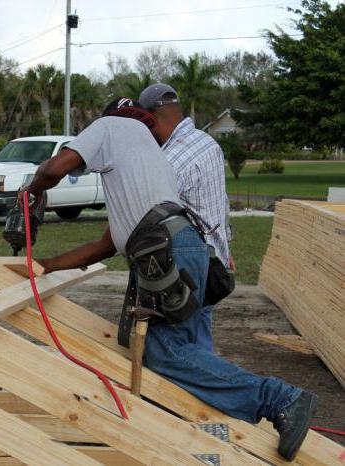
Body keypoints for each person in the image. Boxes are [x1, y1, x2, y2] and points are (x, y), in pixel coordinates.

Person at [22, 98, 317, 461]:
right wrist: (45, 265)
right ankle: (198, 440)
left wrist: (34, 189)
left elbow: (55, 167)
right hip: (181, 244)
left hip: (164, 251)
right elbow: (105, 245)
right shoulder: (146, 157)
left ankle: (279, 398)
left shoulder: (109, 126)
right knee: (168, 346)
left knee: (163, 351)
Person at [135, 83, 233, 353]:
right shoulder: (207, 142)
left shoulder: (169, 160)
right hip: (215, 262)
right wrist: (227, 243)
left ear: (150, 118)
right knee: (200, 340)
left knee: (176, 351)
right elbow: (219, 200)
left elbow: (147, 214)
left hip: (188, 269)